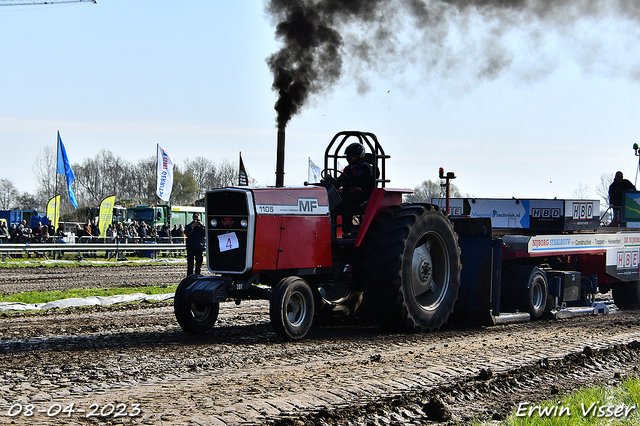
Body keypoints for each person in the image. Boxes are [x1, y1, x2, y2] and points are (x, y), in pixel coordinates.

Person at [327, 142, 374, 237]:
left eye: (352, 155)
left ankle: (347, 230)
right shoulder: (348, 169)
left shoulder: (365, 168)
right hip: (349, 193)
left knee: (347, 199)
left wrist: (339, 183)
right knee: (330, 198)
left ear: (359, 155)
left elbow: (354, 181)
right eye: (348, 155)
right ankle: (328, 229)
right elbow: (341, 179)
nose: (350, 157)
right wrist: (331, 181)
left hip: (363, 194)